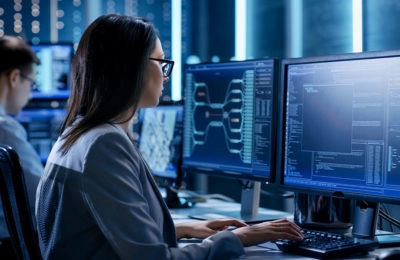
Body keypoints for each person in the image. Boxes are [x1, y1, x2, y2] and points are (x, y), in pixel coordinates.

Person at [35, 14, 304, 259]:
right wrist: (235, 239)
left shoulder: (77, 134)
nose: (165, 77)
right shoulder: (103, 144)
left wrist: (185, 228)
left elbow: (106, 233)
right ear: (130, 67)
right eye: (161, 62)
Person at [0, 35, 43, 257]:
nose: (30, 92)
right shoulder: (6, 129)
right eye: (31, 83)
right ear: (14, 77)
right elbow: (44, 200)